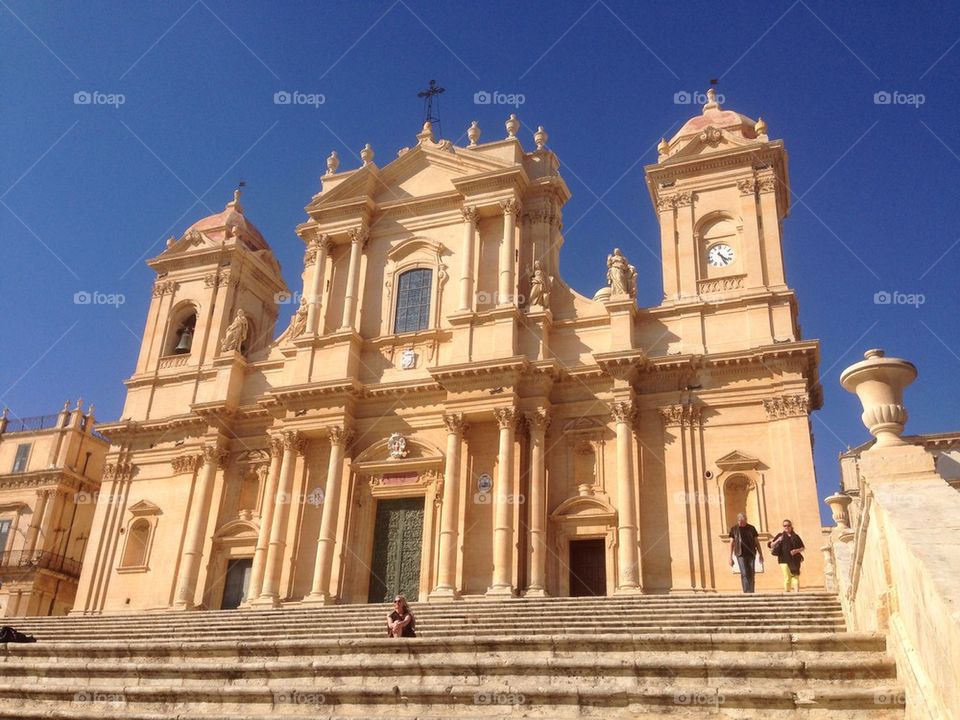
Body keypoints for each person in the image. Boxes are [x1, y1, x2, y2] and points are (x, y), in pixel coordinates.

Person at [729, 513, 763, 593]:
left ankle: (751, 591)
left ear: (746, 520)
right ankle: (747, 592)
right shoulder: (734, 529)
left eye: (743, 521)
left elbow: (757, 542)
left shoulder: (751, 528)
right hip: (740, 553)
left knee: (751, 572)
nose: (741, 523)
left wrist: (761, 554)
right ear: (738, 520)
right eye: (739, 521)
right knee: (744, 572)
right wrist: (730, 557)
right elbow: (731, 543)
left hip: (751, 553)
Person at [768, 519, 805, 592]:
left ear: (791, 526)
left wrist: (796, 551)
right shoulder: (780, 535)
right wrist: (778, 540)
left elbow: (802, 547)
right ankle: (787, 592)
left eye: (788, 525)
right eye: (785, 525)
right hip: (783, 560)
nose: (786, 527)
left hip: (795, 560)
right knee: (787, 577)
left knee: (795, 576)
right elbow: (771, 545)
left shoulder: (796, 536)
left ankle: (797, 593)